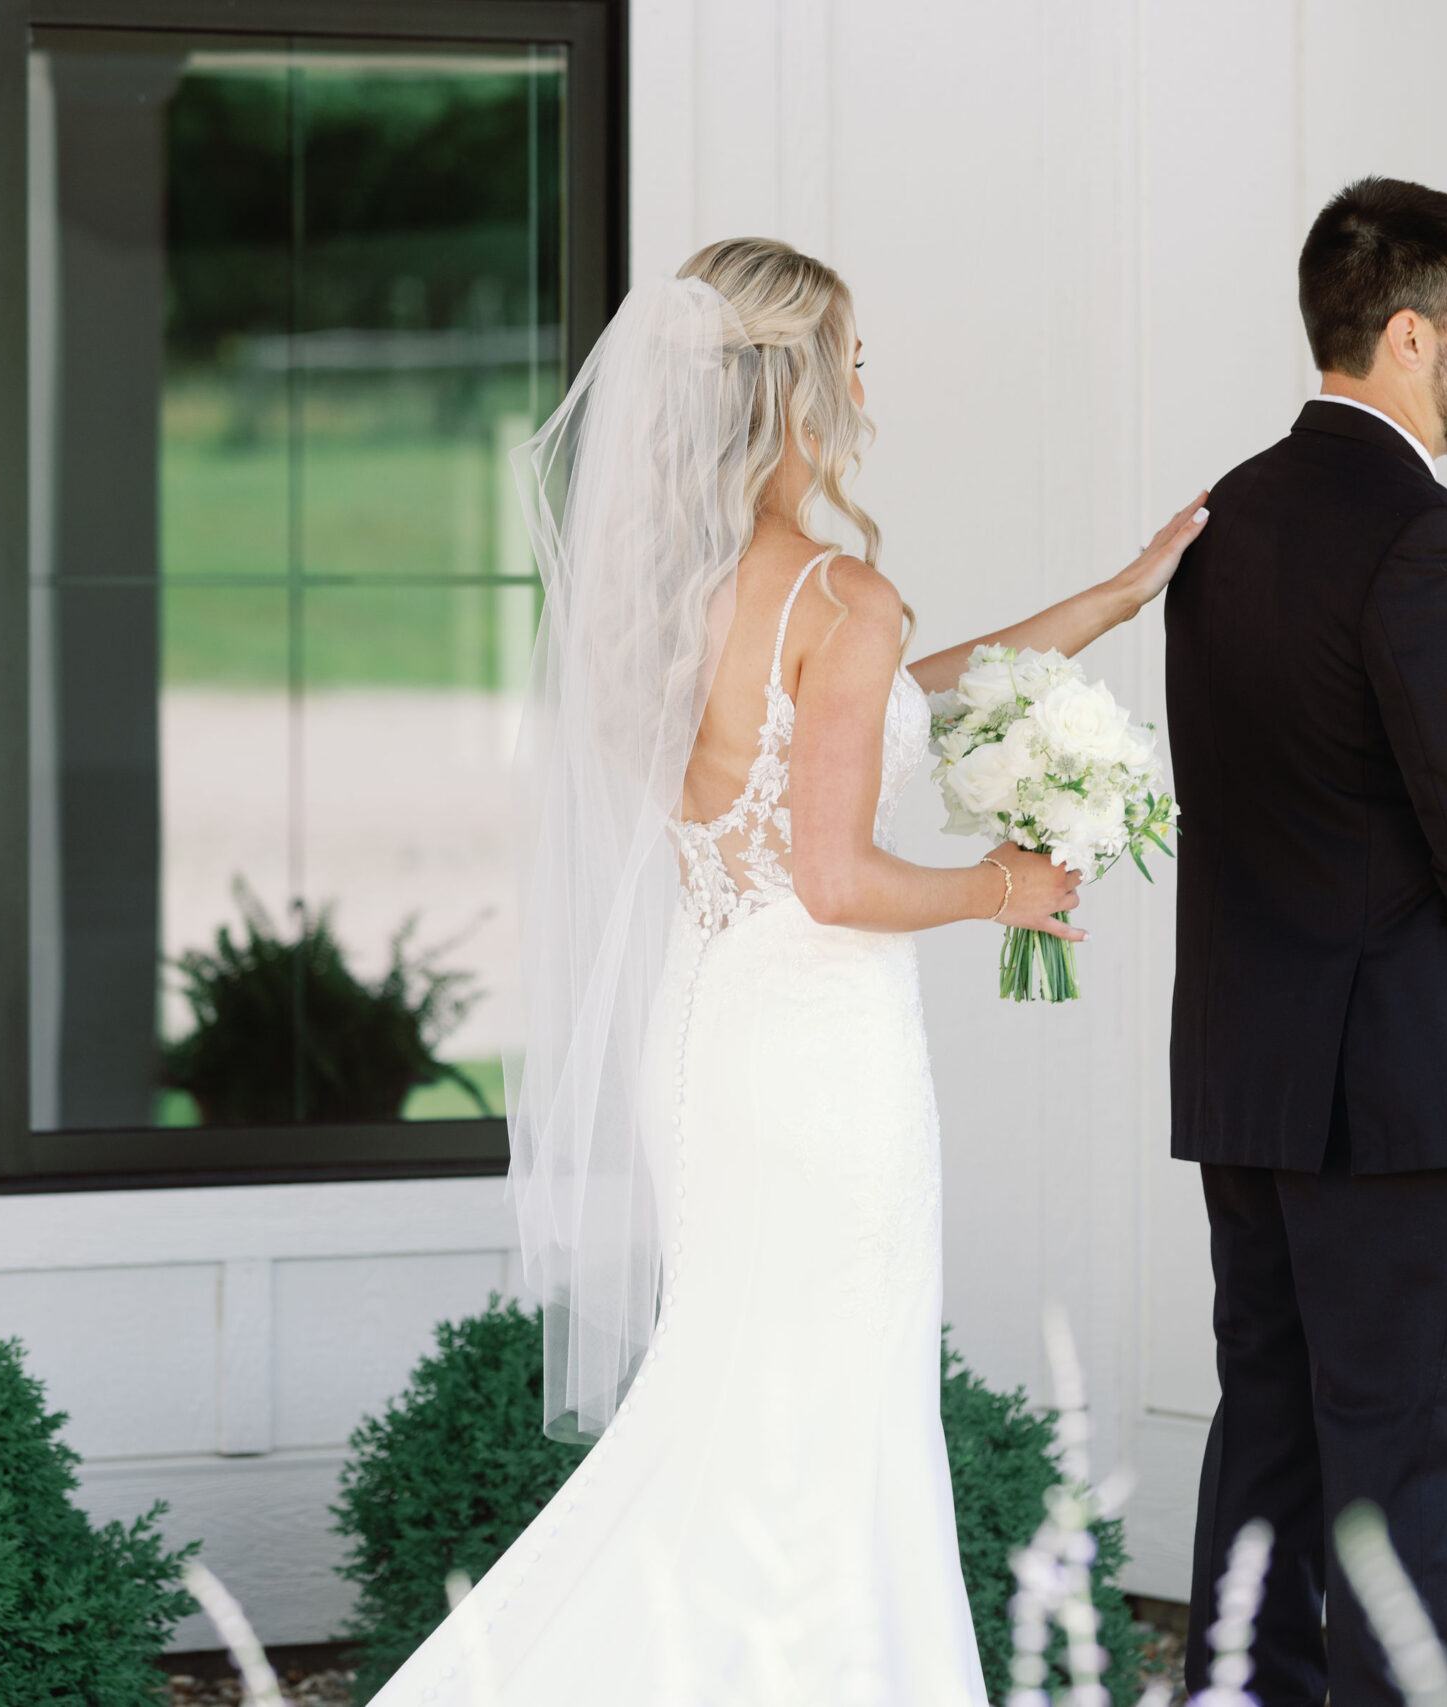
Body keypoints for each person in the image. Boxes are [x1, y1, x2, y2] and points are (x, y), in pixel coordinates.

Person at [366, 237, 1208, 1705]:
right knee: (830, 1412)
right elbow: (835, 875)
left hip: (708, 1036)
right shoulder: (841, 594)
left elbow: (884, 707)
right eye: (855, 354)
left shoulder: (672, 588)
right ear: (798, 384)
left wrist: (1110, 598)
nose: (870, 382)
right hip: (823, 1059)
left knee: (741, 1401)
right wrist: (1001, 887)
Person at [1166, 177, 1447, 1706]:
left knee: (1264, 1472)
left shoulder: (1223, 519)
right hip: (1408, 1099)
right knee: (1397, 1505)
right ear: (1411, 337)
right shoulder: (1437, 548)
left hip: (1250, 1091)